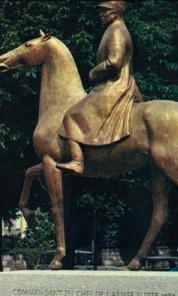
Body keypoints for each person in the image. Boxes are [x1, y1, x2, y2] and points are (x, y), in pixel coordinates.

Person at [57, 0, 143, 174]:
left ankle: (77, 161)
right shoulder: (115, 29)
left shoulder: (116, 31)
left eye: (105, 11)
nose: (101, 15)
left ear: (116, 12)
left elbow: (115, 62)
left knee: (72, 115)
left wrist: (92, 73)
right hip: (118, 83)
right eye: (101, 12)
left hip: (114, 85)